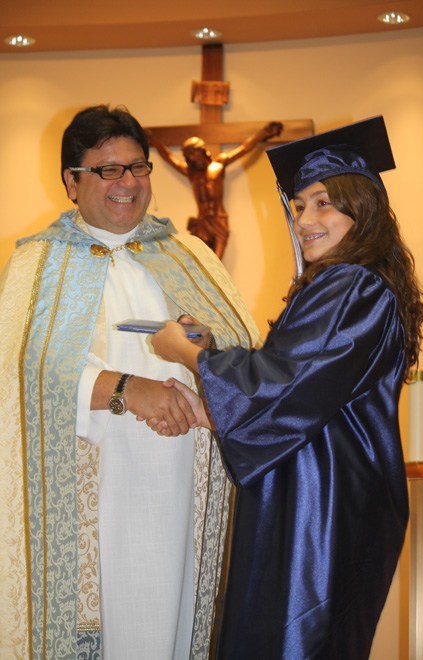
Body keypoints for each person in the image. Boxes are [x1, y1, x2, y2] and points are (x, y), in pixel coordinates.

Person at [149, 116, 423, 659]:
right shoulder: (354, 284)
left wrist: (187, 352)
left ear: (362, 207)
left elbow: (278, 385)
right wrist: (214, 381)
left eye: (324, 202)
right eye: (299, 205)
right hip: (316, 497)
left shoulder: (352, 284)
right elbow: (301, 388)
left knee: (293, 643)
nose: (305, 219)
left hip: (318, 511)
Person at [0, 104, 260, 659]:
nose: (128, 183)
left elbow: (244, 353)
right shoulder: (38, 264)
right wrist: (128, 390)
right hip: (94, 490)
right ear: (72, 181)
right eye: (106, 169)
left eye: (137, 167)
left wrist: (207, 351)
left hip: (185, 487)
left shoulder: (191, 256)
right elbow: (21, 367)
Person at [148, 121, 283, 259]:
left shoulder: (219, 165)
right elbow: (169, 158)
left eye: (193, 154)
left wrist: (263, 134)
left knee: (217, 263)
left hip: (219, 221)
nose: (192, 159)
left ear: (201, 151)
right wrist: (153, 140)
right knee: (199, 261)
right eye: (188, 156)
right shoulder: (191, 173)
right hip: (201, 222)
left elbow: (243, 149)